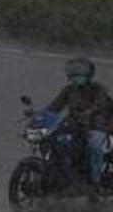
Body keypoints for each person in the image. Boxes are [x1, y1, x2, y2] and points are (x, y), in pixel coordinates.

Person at [46, 57, 113, 188]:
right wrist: (40, 116)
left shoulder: (98, 89)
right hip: (74, 125)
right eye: (74, 73)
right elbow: (55, 106)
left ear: (89, 74)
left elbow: (100, 104)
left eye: (80, 74)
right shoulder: (69, 90)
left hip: (96, 126)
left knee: (94, 146)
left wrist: (88, 113)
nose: (77, 76)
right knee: (52, 139)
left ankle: (96, 181)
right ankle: (57, 173)